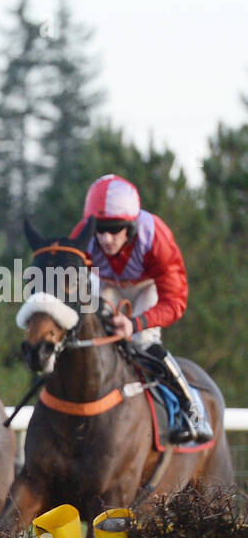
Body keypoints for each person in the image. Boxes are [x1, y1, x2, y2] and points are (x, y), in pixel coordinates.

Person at [72, 173, 212, 443]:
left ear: (131, 227)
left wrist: (136, 324)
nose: (105, 239)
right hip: (107, 284)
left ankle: (191, 409)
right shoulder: (82, 236)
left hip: (146, 287)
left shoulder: (155, 236)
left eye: (114, 229)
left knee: (143, 341)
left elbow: (175, 301)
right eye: (99, 229)